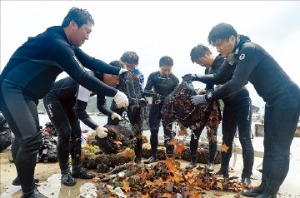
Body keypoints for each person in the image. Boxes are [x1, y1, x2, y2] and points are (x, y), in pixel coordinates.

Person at [0, 7, 129, 198]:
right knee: (30, 139)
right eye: (87, 31)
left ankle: (22, 178)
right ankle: (28, 193)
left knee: (23, 137)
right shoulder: (56, 43)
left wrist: (119, 72)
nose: (88, 36)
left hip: (28, 95)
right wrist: (114, 93)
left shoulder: (65, 44)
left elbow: (91, 61)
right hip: (11, 89)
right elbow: (81, 75)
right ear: (73, 24)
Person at [191, 22, 300, 198]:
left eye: (220, 44)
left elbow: (236, 83)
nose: (218, 49)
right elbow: (219, 76)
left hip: (288, 99)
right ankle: (264, 187)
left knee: (279, 147)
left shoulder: (249, 50)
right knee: (268, 145)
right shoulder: (235, 54)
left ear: (232, 38)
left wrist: (208, 97)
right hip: (272, 101)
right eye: (215, 45)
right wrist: (197, 77)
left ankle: (270, 193)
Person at [43, 60, 126, 186]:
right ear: (109, 73)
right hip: (53, 98)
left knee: (76, 134)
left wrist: (111, 113)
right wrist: (96, 127)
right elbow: (80, 111)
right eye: (117, 79)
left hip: (69, 103)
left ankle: (76, 169)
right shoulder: (88, 78)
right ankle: (65, 172)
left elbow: (101, 105)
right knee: (65, 132)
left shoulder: (102, 82)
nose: (117, 83)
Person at [182, 44, 254, 185]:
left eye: (200, 61)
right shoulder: (208, 69)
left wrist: (200, 81)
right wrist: (201, 92)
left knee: (245, 139)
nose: (201, 64)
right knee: (226, 139)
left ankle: (246, 176)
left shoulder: (224, 60)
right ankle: (224, 169)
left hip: (242, 101)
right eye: (198, 63)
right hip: (228, 105)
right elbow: (210, 91)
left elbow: (224, 81)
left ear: (207, 53)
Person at [107, 51, 145, 164]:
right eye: (126, 65)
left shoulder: (139, 74)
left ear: (136, 65)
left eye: (132, 66)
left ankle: (137, 156)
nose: (128, 68)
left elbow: (141, 91)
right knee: (111, 122)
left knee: (137, 128)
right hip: (118, 99)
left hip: (134, 102)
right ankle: (110, 151)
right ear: (122, 63)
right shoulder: (117, 71)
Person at [143, 56, 179, 164]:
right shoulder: (153, 76)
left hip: (168, 108)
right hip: (155, 105)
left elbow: (177, 95)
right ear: (160, 67)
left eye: (169, 70)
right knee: (154, 131)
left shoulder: (175, 79)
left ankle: (169, 158)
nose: (167, 72)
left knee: (168, 132)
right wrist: (156, 95)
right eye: (164, 70)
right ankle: (153, 155)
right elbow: (145, 91)